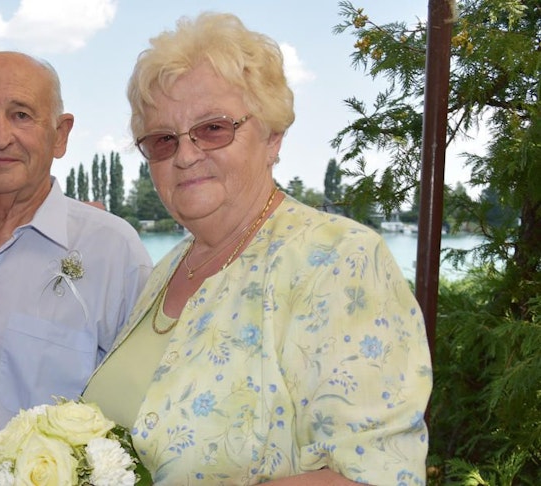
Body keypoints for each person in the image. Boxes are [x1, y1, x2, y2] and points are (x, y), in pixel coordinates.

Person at [81, 12, 433, 485]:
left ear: (272, 136)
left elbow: (374, 475)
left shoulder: (338, 259)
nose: (185, 155)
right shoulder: (168, 269)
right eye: (163, 139)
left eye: (213, 128)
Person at [0, 51, 153, 484]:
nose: (0, 136)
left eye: (21, 115)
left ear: (60, 134)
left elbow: (146, 419)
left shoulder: (113, 251)